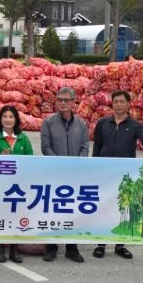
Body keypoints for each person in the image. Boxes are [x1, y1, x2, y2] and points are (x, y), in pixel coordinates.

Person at [92, 89, 143, 261]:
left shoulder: (135, 126)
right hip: (104, 172)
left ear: (128, 104)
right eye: (115, 101)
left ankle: (120, 245)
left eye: (122, 101)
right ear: (112, 104)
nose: (118, 105)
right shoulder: (103, 123)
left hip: (125, 174)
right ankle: (100, 244)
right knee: (104, 207)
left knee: (123, 207)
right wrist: (94, 166)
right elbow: (97, 146)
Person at [40, 87, 89, 263]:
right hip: (54, 172)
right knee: (52, 209)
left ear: (73, 102)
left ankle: (72, 248)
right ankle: (51, 247)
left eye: (66, 100)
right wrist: (59, 163)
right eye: (59, 99)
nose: (62, 103)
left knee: (73, 210)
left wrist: (77, 163)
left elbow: (85, 147)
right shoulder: (48, 122)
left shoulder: (81, 124)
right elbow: (45, 146)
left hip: (75, 174)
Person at [0, 105, 33, 263]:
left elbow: (30, 160)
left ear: (16, 120)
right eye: (4, 116)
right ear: (0, 119)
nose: (7, 119)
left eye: (11, 117)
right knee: (0, 215)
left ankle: (14, 249)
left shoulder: (23, 138)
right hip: (0, 184)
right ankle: (0, 248)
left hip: (18, 185)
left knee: (16, 215)